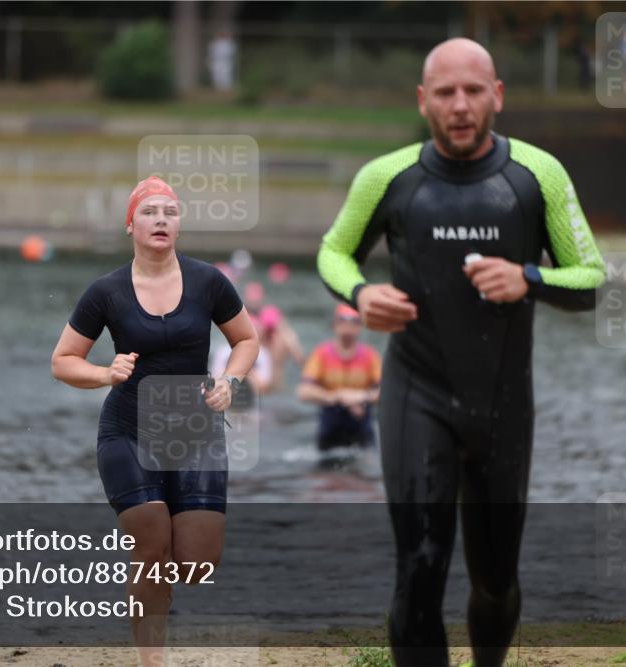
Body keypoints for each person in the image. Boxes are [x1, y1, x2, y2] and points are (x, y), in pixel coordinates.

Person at [316, 38, 606, 667]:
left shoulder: (537, 176)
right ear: (423, 102)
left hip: (502, 407)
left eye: (474, 90)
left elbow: (591, 277)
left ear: (497, 95)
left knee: (496, 581)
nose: (460, 105)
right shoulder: (388, 178)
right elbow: (332, 252)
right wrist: (362, 295)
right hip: (416, 395)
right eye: (445, 92)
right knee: (418, 570)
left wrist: (528, 278)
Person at [51, 176, 258, 667]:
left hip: (196, 434)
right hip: (128, 431)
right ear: (131, 224)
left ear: (179, 225)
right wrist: (105, 371)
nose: (161, 218)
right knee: (149, 541)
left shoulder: (208, 281)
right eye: (149, 211)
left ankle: (156, 587)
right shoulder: (106, 291)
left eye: (170, 211)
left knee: (196, 565)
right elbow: (63, 361)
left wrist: (231, 382)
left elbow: (246, 340)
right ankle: (152, 660)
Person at [296, 304, 381, 451]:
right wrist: (337, 396)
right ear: (334, 325)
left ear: (360, 327)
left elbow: (387, 392)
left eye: (354, 323)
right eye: (343, 322)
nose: (347, 328)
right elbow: (303, 391)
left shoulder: (370, 356)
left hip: (361, 424)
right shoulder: (322, 354)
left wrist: (362, 396)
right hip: (330, 426)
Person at [242, 281, 305, 392]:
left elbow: (287, 333)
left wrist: (297, 354)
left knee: (279, 342)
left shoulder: (268, 313)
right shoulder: (242, 314)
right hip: (254, 352)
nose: (254, 302)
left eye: (255, 299)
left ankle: (274, 384)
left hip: (267, 352)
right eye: (252, 299)